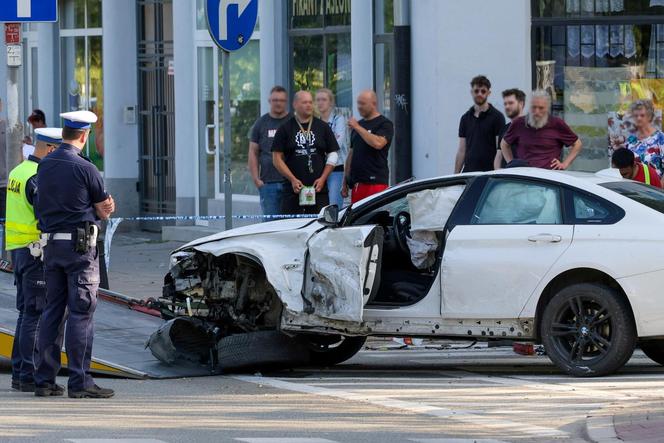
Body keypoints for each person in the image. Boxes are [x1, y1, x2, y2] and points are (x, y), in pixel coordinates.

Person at [34, 110, 116, 399]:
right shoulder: (86, 168)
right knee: (81, 313)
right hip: (80, 250)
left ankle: (44, 379)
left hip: (51, 248)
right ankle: (80, 381)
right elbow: (105, 207)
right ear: (84, 135)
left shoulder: (45, 165)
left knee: (52, 311)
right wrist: (98, 209)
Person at [7, 127, 62, 393]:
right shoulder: (38, 176)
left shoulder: (18, 171)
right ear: (50, 149)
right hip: (34, 250)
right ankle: (28, 374)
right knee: (36, 314)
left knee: (25, 313)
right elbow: (46, 214)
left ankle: (20, 372)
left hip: (18, 248)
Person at [272, 91, 340, 215]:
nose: (309, 105)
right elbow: (276, 158)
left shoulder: (323, 127)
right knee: (291, 227)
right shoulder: (285, 128)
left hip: (319, 190)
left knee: (320, 226)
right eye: (304, 102)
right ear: (295, 104)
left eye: (310, 102)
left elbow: (333, 154)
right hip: (292, 190)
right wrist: (292, 179)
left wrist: (323, 178)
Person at [501, 90, 583, 170]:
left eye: (541, 108)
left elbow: (577, 144)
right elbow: (504, 144)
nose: (537, 111)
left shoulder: (557, 123)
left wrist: (565, 164)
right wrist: (511, 164)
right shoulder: (519, 123)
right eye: (534, 107)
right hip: (524, 177)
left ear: (547, 108)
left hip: (548, 178)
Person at [342, 90, 394, 204]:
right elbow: (351, 153)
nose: (359, 107)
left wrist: (357, 127)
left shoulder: (384, 124)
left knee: (375, 217)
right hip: (357, 183)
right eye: (358, 103)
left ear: (374, 104)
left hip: (375, 183)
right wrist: (345, 180)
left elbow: (378, 143)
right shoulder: (358, 125)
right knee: (358, 219)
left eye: (363, 103)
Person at [248, 86, 290, 217]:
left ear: (286, 102)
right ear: (269, 101)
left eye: (282, 100)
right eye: (275, 100)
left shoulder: (294, 122)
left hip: (291, 184)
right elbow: (253, 152)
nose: (278, 103)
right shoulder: (260, 123)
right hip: (268, 184)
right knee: (270, 226)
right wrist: (256, 179)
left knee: (292, 224)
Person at [454, 75, 505, 173]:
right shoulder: (465, 118)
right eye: (476, 91)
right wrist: (455, 176)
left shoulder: (497, 117)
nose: (479, 94)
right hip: (468, 173)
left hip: (489, 174)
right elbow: (461, 150)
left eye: (483, 91)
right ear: (471, 92)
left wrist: (497, 173)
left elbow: (500, 150)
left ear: (489, 93)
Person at [316, 88, 349, 208]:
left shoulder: (338, 119)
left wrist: (319, 144)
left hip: (336, 169)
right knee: (320, 205)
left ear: (330, 102)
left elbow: (336, 145)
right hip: (318, 170)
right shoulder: (313, 122)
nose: (320, 103)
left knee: (334, 205)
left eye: (324, 99)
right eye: (318, 100)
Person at [625, 99, 664, 178]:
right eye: (636, 116)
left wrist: (659, 188)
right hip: (635, 187)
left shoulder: (660, 138)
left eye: (642, 115)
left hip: (656, 188)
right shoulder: (630, 140)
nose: (639, 118)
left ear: (649, 116)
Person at [494, 88, 526, 169]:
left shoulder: (531, 127)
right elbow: (498, 157)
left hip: (526, 178)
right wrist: (498, 174)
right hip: (508, 178)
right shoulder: (504, 129)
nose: (507, 106)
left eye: (511, 103)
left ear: (521, 104)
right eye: (505, 104)